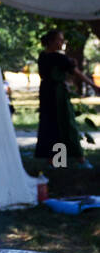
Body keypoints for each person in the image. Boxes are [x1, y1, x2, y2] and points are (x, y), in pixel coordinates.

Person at [34, 29, 94, 165]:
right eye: (59, 40)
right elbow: (77, 73)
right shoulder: (58, 58)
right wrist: (94, 86)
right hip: (57, 95)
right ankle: (78, 159)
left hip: (46, 93)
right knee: (65, 123)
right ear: (51, 41)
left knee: (50, 125)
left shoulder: (43, 56)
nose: (62, 42)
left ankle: (54, 159)